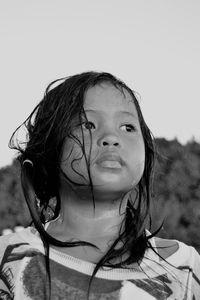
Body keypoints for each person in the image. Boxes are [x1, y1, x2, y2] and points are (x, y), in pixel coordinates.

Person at [0, 71, 200, 300]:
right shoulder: (8, 259)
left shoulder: (185, 269)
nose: (111, 137)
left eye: (127, 127)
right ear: (50, 151)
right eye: (88, 124)